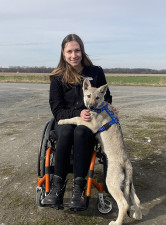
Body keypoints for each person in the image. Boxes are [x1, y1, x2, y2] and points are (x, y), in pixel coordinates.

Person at [42, 34, 117, 211]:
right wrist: (78, 113)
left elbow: (107, 96)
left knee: (81, 132)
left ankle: (79, 190)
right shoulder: (58, 77)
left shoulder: (95, 72)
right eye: (69, 51)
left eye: (77, 50)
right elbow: (57, 109)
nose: (73, 55)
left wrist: (110, 107)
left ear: (82, 52)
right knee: (68, 131)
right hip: (65, 120)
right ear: (63, 53)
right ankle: (57, 188)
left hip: (90, 123)